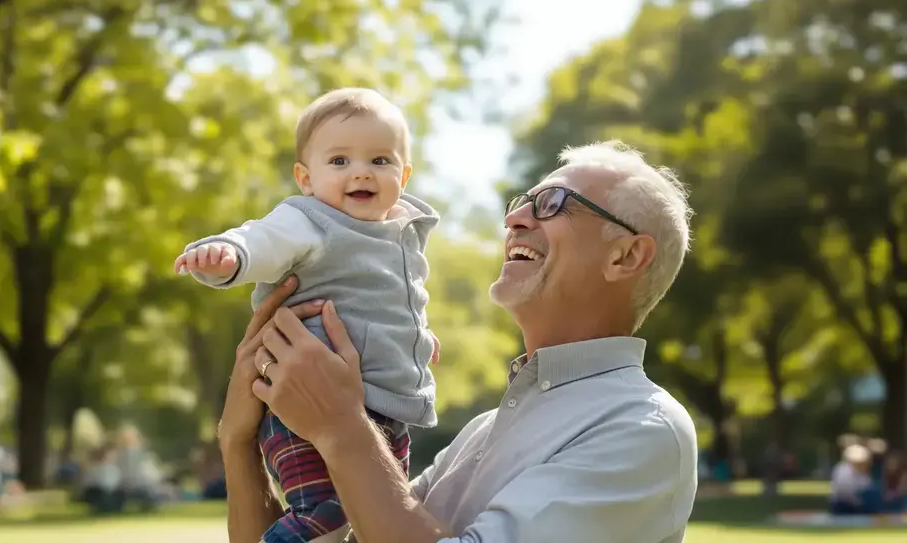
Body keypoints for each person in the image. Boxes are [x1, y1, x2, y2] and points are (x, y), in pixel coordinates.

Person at [219, 140, 700, 543]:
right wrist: (238, 444)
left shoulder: (642, 428)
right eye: (521, 203)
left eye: (553, 203)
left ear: (625, 256)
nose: (515, 220)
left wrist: (341, 424)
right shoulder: (481, 433)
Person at [176, 88, 441, 543]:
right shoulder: (311, 220)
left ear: (404, 175)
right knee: (325, 517)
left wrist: (417, 338)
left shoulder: (400, 236)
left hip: (386, 408)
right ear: (305, 178)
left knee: (376, 515)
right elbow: (263, 239)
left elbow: (398, 298)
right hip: (303, 398)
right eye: (339, 161)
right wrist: (228, 254)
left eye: (380, 160)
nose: (361, 171)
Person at [830, 443, 875, 515]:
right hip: (841, 505)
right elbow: (843, 491)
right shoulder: (842, 470)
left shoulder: (863, 474)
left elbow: (867, 487)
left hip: (856, 506)